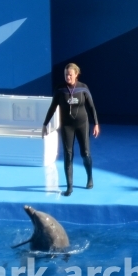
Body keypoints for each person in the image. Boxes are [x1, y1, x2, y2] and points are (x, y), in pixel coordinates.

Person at [43, 63, 100, 196]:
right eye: (66, 75)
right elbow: (52, 107)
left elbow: (91, 107)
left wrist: (96, 124)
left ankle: (89, 178)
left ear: (76, 75)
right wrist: (45, 124)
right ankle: (69, 186)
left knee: (85, 153)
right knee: (68, 154)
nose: (67, 77)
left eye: (70, 75)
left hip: (82, 124)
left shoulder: (83, 88)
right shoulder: (60, 89)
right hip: (67, 126)